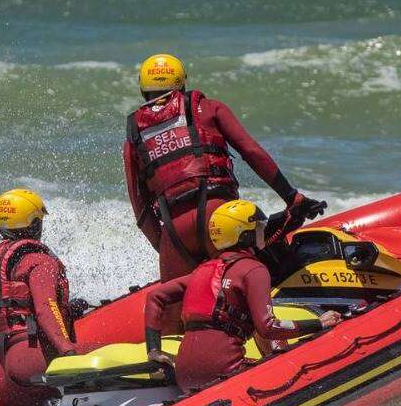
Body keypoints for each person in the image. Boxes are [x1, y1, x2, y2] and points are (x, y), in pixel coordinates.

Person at [124, 53, 317, 280]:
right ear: (182, 82)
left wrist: (168, 247)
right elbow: (252, 152)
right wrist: (292, 197)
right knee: (256, 279)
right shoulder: (209, 109)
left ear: (143, 89)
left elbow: (141, 208)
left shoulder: (134, 138)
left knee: (177, 307)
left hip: (174, 231)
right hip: (220, 218)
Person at [143, 199, 341, 396]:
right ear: (245, 235)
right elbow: (269, 326)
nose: (263, 231)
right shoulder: (254, 270)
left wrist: (154, 350)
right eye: (259, 227)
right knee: (290, 372)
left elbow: (155, 296)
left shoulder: (201, 271)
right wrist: (318, 323)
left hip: (184, 376)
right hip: (224, 372)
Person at [0, 188, 86, 406]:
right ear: (33, 223)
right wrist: (67, 351)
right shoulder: (36, 259)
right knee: (108, 355)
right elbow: (45, 308)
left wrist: (69, 310)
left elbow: (12, 309)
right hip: (32, 359)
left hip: (1, 374)